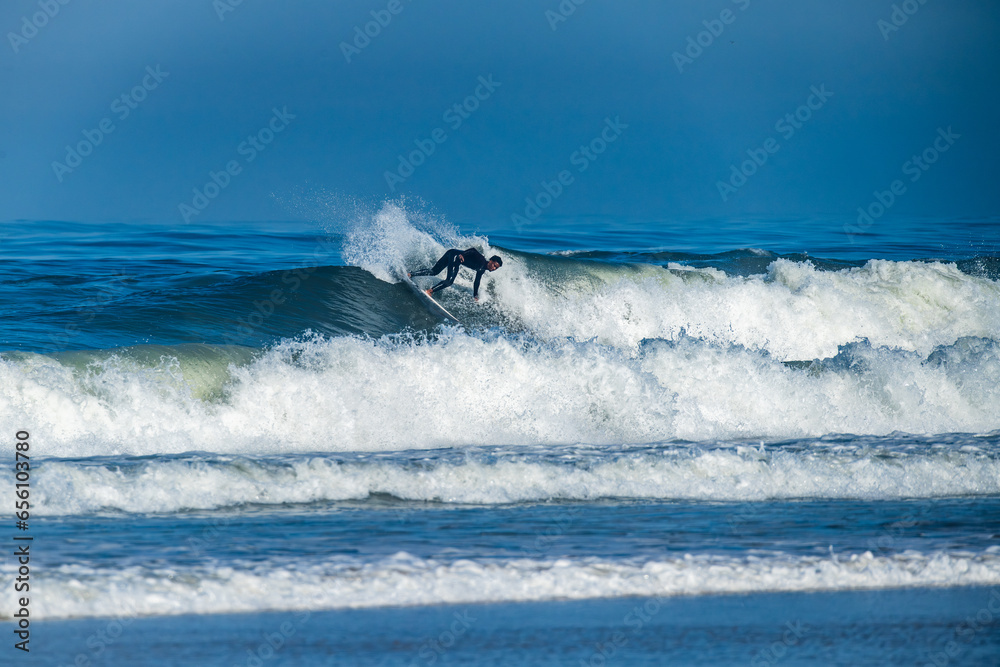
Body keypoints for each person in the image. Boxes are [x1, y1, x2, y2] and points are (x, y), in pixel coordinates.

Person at [409, 248, 502, 301]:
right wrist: (463, 255)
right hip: (455, 256)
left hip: (451, 253)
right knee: (449, 281)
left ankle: (410, 274)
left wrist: (475, 295)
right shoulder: (481, 260)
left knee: (434, 271)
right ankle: (429, 291)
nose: (493, 268)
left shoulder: (482, 269)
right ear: (490, 261)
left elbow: (477, 281)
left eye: (496, 268)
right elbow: (473, 250)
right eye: (494, 265)